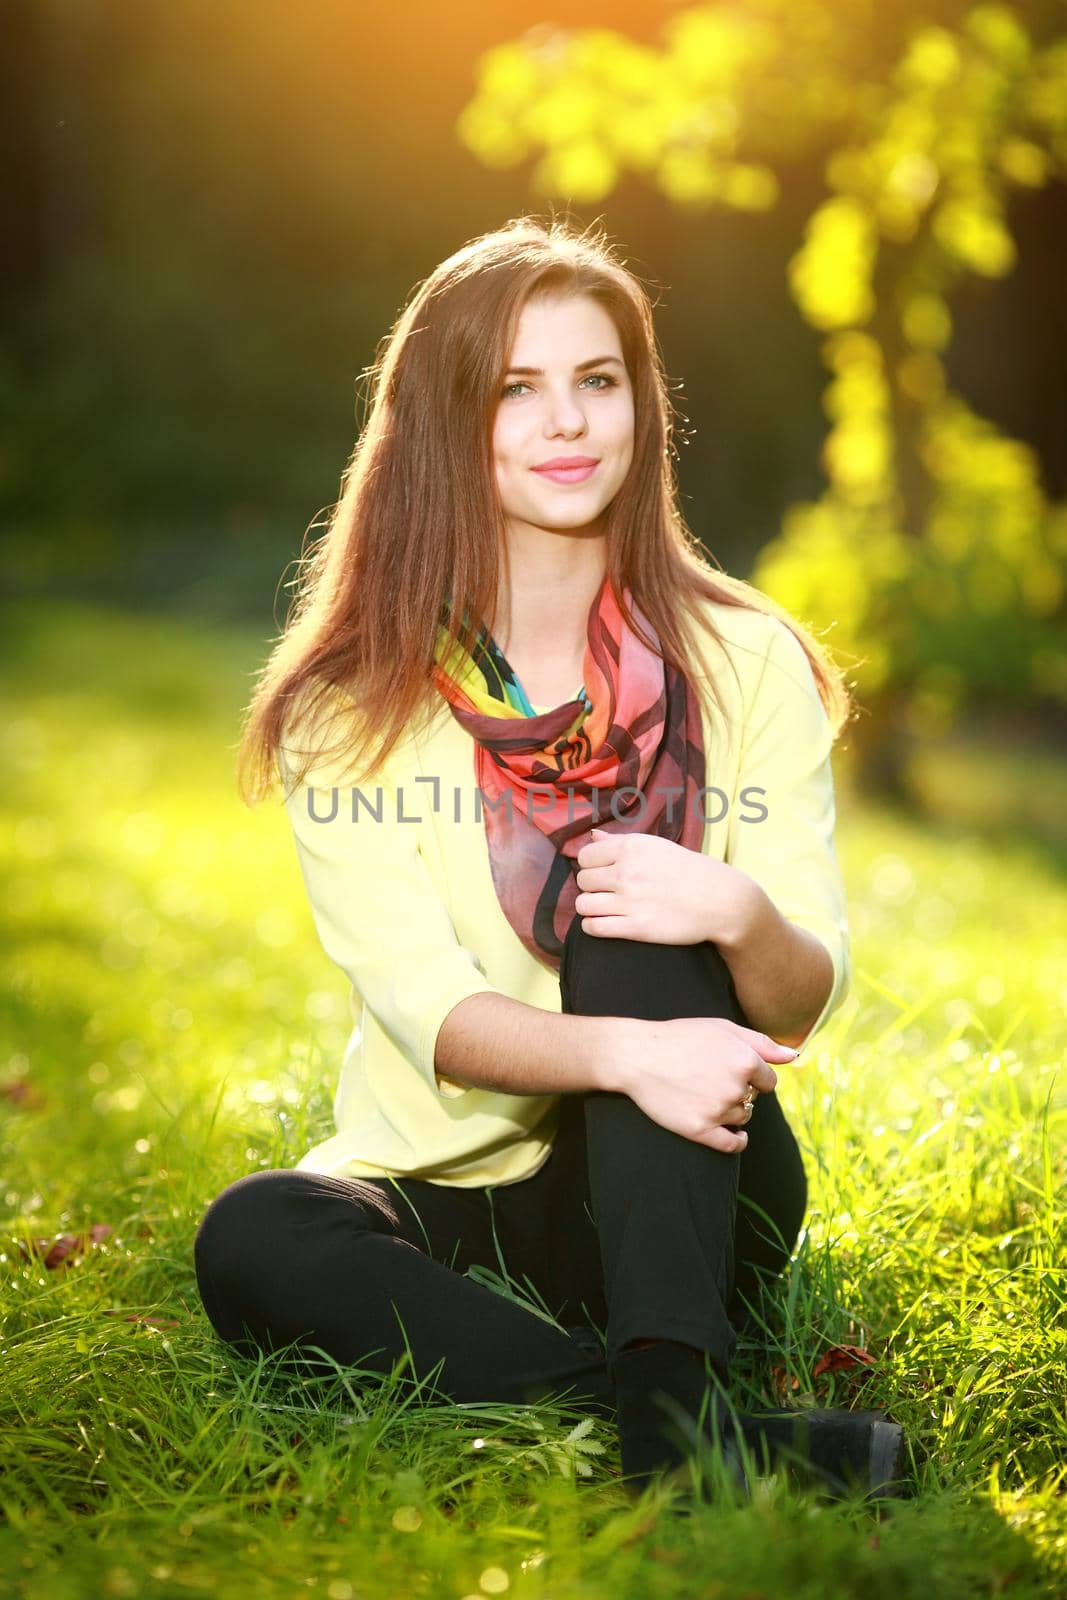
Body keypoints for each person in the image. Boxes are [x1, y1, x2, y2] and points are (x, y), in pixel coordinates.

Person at [194, 215, 906, 1499]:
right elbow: (431, 1016)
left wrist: (735, 912)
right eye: (514, 390)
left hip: (683, 1182)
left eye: (596, 380)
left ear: (641, 403)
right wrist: (629, 1050)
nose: (565, 422)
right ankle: (672, 1431)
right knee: (255, 1233)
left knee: (636, 921)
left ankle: (658, 1384)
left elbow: (799, 995)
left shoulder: (745, 659)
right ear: (443, 423)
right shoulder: (350, 705)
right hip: (444, 1186)